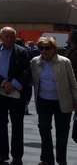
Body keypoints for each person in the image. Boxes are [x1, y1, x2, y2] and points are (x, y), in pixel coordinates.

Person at [0, 26, 31, 165]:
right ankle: (2, 154)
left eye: (12, 36)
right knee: (0, 123)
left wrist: (13, 85)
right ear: (1, 37)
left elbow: (27, 72)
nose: (9, 39)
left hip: (16, 93)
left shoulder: (22, 52)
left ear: (15, 37)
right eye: (7, 36)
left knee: (17, 125)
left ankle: (17, 156)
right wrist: (4, 83)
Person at [31, 36, 77, 165]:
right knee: (44, 129)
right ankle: (47, 160)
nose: (44, 51)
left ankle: (61, 160)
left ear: (54, 49)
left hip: (63, 101)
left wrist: (76, 101)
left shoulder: (64, 61)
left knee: (62, 132)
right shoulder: (35, 61)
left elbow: (73, 83)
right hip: (43, 101)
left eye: (47, 48)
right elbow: (31, 80)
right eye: (41, 48)